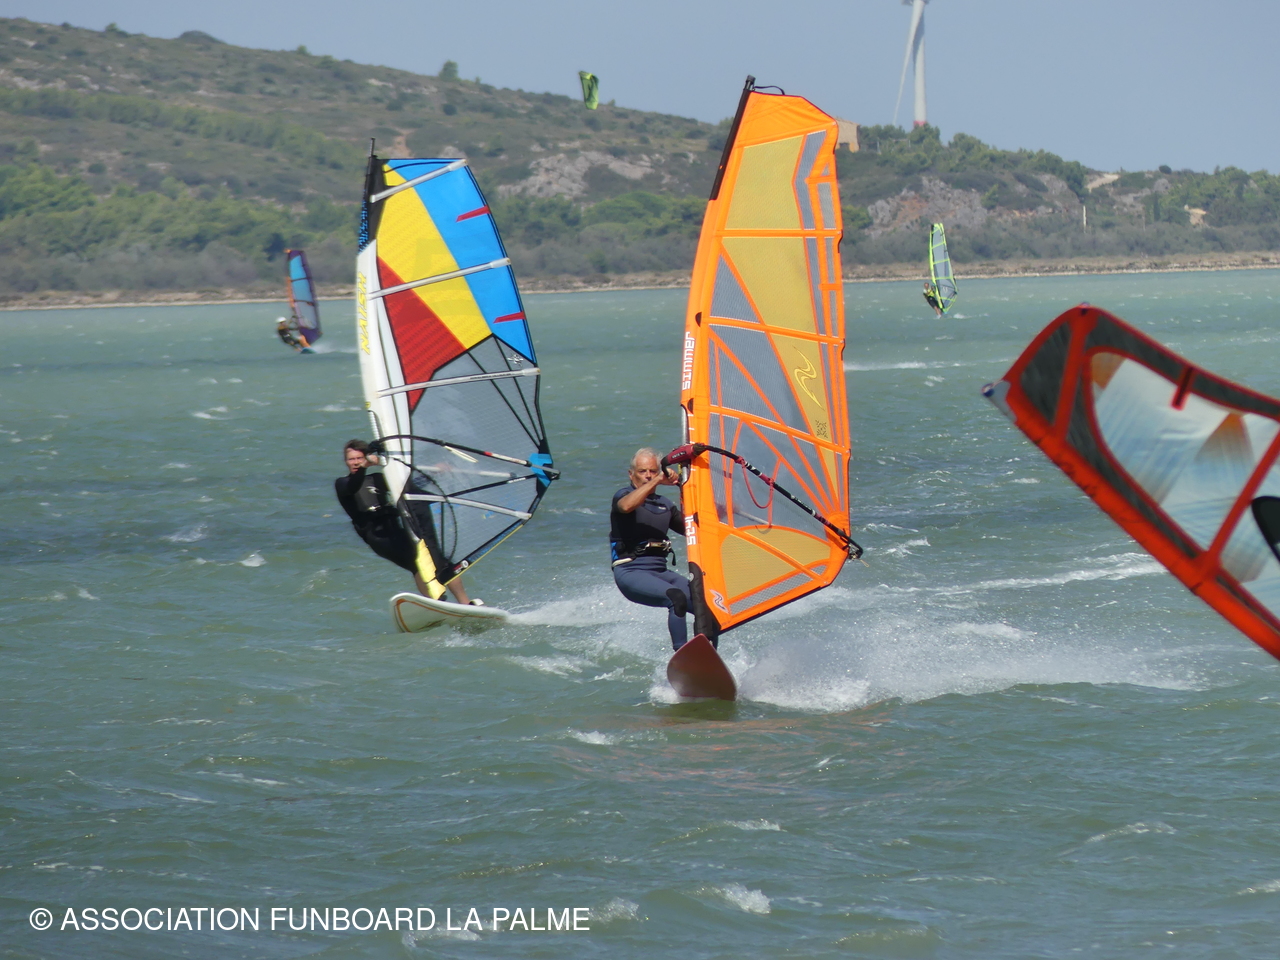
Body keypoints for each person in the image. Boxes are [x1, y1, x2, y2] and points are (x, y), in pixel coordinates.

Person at [334, 439, 473, 604]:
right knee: (416, 560)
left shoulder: (377, 479)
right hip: (377, 535)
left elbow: (407, 487)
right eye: (351, 459)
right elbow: (353, 486)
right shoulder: (342, 483)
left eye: (359, 458)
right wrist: (364, 466)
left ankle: (466, 604)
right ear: (346, 461)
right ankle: (437, 604)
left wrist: (434, 472)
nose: (356, 462)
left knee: (441, 560)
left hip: (398, 528)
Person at [610, 447, 692, 651]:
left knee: (705, 604)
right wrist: (657, 481)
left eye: (653, 471)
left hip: (660, 572)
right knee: (676, 597)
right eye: (642, 471)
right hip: (631, 571)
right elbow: (626, 507)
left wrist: (685, 487)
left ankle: (707, 654)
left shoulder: (665, 505)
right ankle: (682, 653)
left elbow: (693, 529)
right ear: (631, 474)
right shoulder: (623, 495)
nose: (648, 475)